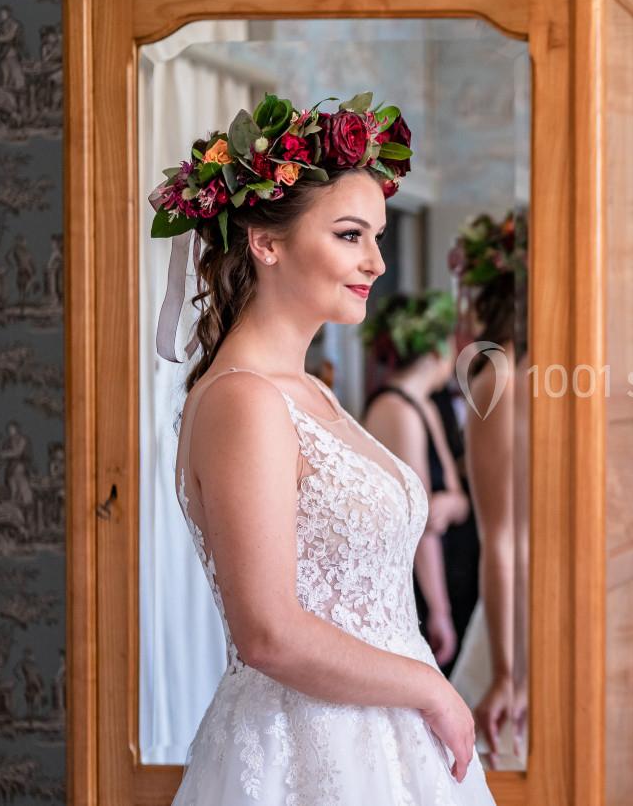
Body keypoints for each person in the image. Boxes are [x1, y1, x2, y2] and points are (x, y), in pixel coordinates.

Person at [151, 92, 493, 803]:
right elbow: (268, 632)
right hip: (304, 750)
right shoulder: (244, 400)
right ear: (265, 241)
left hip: (395, 740)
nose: (375, 261)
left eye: (376, 236)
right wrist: (429, 687)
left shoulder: (318, 394)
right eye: (348, 235)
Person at [446, 211, 530, 765]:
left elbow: (501, 538)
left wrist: (507, 672)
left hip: (523, 615)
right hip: (564, 608)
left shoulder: (498, 379)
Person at [361, 290, 472, 674]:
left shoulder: (423, 403)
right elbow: (420, 519)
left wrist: (457, 504)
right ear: (439, 349)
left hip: (453, 569)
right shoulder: (396, 410)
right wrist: (439, 610)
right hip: (422, 583)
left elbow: (453, 493)